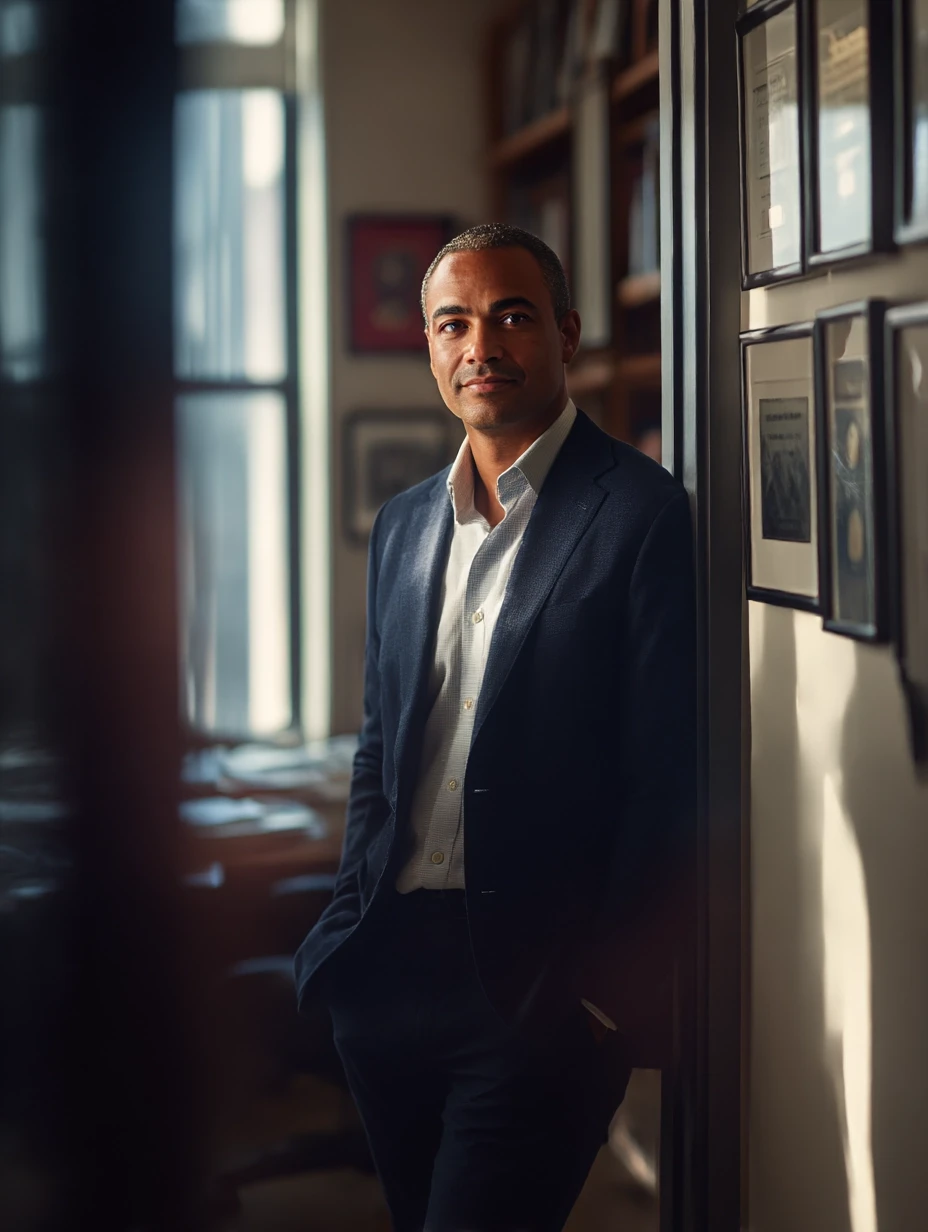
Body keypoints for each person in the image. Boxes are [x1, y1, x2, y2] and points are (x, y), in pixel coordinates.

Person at [294, 224, 696, 1232]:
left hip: (536, 993)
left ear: (563, 334)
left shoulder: (643, 515)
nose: (482, 344)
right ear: (430, 348)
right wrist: (349, 923)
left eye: (511, 315)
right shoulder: (403, 525)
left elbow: (669, 776)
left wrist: (600, 997)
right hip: (386, 973)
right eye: (453, 322)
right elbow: (381, 744)